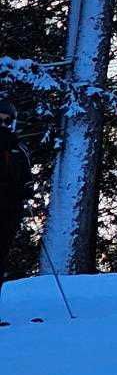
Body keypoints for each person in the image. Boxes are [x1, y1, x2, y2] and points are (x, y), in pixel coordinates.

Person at [0, 99, 34, 306]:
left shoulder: (17, 149)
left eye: (6, 121)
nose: (2, 125)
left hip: (8, 212)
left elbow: (27, 179)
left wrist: (24, 191)